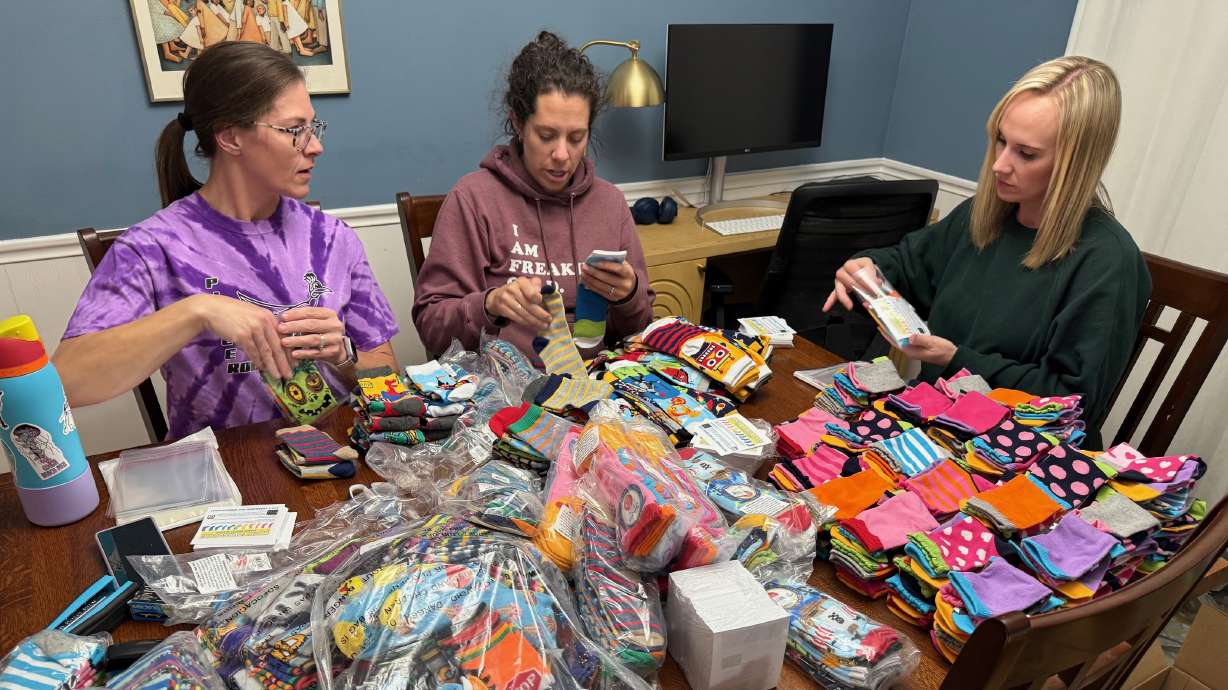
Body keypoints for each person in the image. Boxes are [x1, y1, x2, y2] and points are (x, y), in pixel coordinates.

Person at [54, 41, 399, 440]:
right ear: (231, 137)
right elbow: (67, 382)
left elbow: (386, 376)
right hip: (225, 467)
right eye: (294, 130)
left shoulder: (332, 239)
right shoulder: (152, 249)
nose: (316, 146)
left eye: (313, 127)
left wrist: (343, 355)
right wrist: (197, 311)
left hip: (340, 452)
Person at [824, 56, 1149, 449]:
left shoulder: (1107, 262)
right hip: (938, 424)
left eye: (1026, 154)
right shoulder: (984, 214)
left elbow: (1072, 403)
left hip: (1023, 451)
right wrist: (867, 270)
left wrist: (955, 359)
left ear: (1076, 163)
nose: (999, 164)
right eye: (1000, 140)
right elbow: (908, 266)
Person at [413, 30, 654, 365]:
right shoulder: (473, 199)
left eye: (576, 138)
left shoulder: (610, 204)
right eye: (546, 135)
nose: (562, 155)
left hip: (598, 380)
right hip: (506, 385)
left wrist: (629, 296)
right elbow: (431, 326)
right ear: (518, 123)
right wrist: (489, 306)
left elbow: (638, 330)